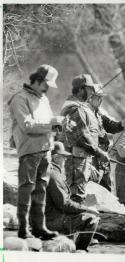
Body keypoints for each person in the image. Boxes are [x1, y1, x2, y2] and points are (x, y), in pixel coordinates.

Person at [8, 64, 62, 240]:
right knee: (26, 189)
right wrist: (52, 124)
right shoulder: (19, 99)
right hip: (29, 152)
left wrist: (59, 124)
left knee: (40, 190)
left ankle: (39, 228)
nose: (48, 89)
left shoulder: (43, 99)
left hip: (45, 150)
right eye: (46, 84)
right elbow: (27, 126)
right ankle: (24, 229)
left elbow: (46, 124)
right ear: (38, 81)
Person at [60, 74, 111, 203]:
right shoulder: (74, 109)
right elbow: (82, 136)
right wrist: (99, 153)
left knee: (82, 197)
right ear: (81, 89)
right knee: (76, 197)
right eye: (90, 89)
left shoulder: (81, 107)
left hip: (83, 160)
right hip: (76, 161)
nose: (92, 92)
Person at [45, 141, 100, 250]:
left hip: (46, 217)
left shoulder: (49, 171)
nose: (66, 160)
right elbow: (64, 204)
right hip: (50, 220)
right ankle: (80, 251)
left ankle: (70, 245)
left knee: (78, 215)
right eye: (63, 157)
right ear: (56, 158)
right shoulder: (53, 174)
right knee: (92, 218)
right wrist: (87, 209)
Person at [88, 84, 125, 192]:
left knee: (106, 186)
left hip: (103, 156)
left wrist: (122, 124)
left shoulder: (99, 114)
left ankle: (105, 209)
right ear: (89, 97)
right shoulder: (84, 114)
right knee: (93, 185)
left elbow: (111, 126)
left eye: (101, 98)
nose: (100, 100)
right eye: (98, 98)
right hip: (92, 157)